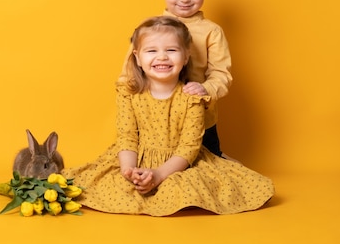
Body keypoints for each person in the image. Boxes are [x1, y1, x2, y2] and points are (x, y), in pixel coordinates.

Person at [62, 16, 274, 215]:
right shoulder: (129, 93)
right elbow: (127, 137)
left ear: (186, 56)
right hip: (136, 156)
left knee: (187, 189)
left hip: (178, 162)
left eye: (171, 50)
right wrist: (129, 170)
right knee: (102, 184)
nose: (162, 57)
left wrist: (160, 174)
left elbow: (189, 147)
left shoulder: (193, 97)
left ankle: (164, 183)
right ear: (137, 57)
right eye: (151, 50)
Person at [119, 0, 233, 159]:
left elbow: (221, 75)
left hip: (200, 119)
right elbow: (129, 73)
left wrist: (206, 89)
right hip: (156, 120)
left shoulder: (212, 32)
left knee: (210, 167)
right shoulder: (148, 29)